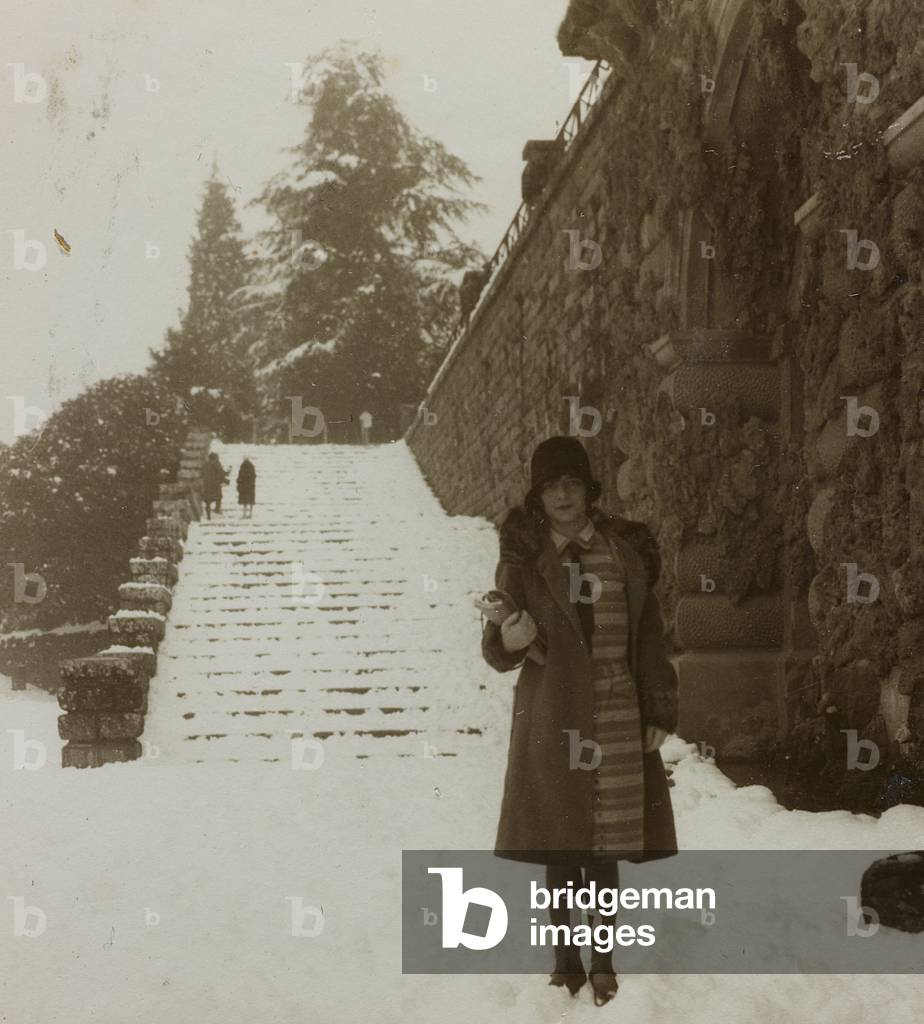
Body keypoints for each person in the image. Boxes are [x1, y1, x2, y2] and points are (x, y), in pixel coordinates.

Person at [480, 435, 679, 1006]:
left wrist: (659, 706)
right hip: (552, 713)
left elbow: (649, 637)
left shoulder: (624, 554)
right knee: (562, 840)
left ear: (589, 491)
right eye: (551, 487)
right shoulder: (523, 559)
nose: (562, 496)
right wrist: (510, 635)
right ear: (538, 497)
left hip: (617, 708)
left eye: (571, 484)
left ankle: (604, 962)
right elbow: (497, 649)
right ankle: (565, 963)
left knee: (605, 843)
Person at [202, 451, 229, 521]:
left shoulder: (205, 464)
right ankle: (217, 509)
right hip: (215, 485)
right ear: (215, 458)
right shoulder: (216, 464)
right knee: (219, 497)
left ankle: (208, 516)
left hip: (207, 485)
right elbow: (221, 474)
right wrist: (225, 480)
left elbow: (201, 474)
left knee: (208, 501)